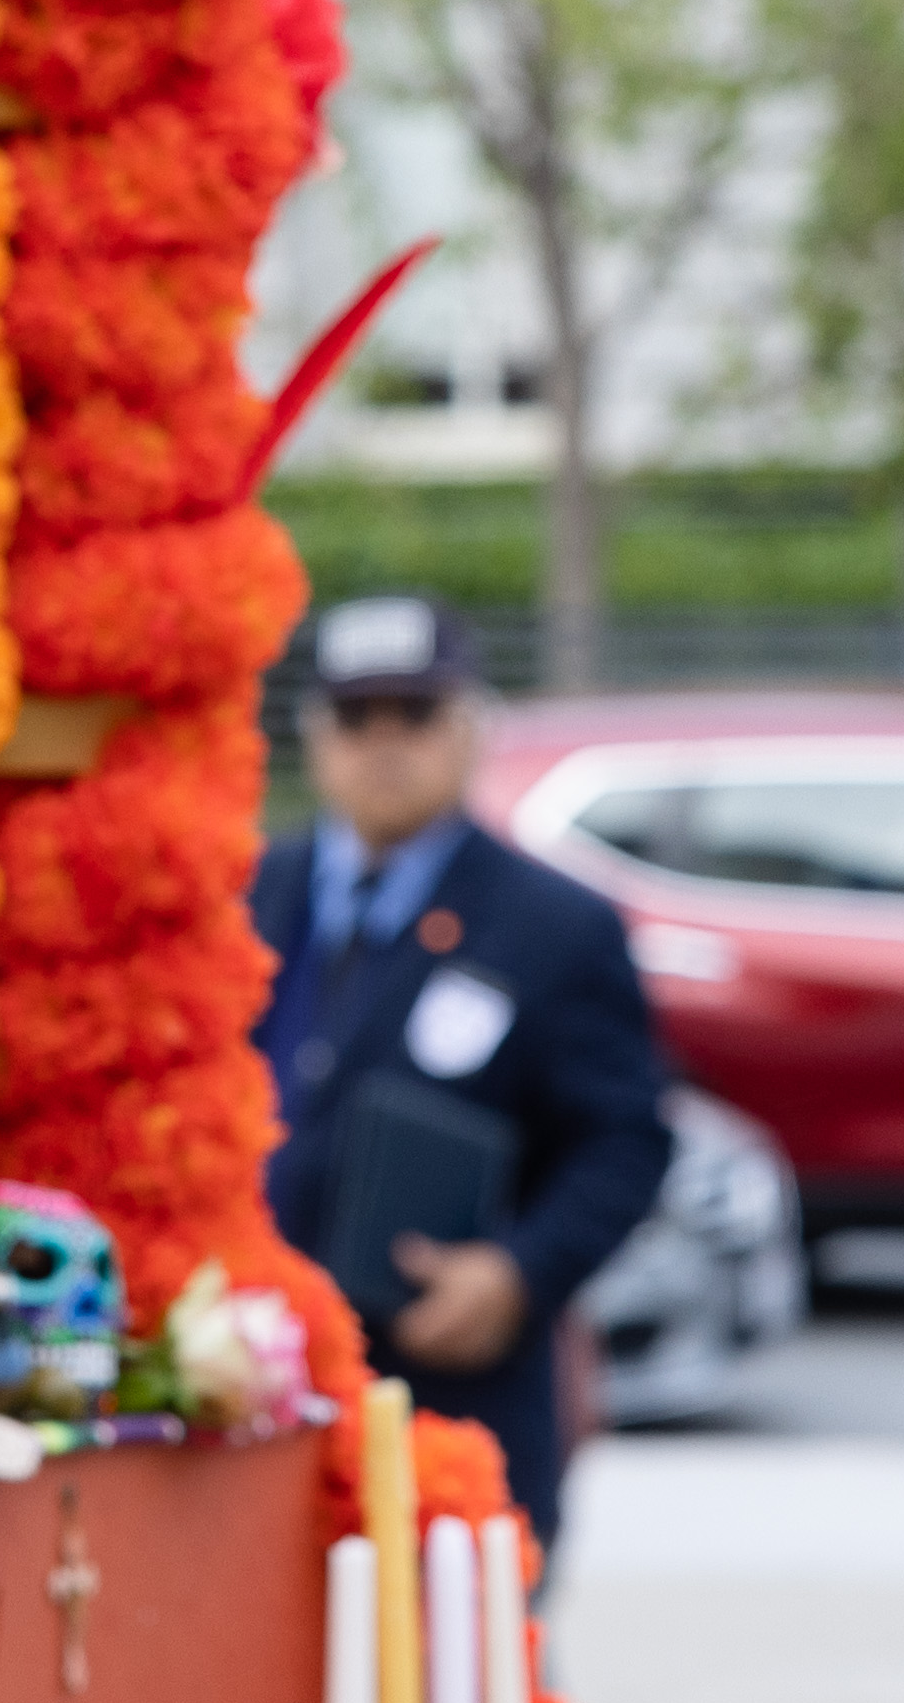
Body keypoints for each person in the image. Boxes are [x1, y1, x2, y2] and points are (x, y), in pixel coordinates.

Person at [250, 588, 678, 1544]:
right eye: (359, 717)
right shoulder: (244, 901)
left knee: (461, 1684)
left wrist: (519, 1272)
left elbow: (626, 1141)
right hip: (253, 1392)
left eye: (418, 713)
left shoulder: (555, 926)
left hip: (451, 1393)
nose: (386, 742)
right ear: (316, 736)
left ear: (473, 727)